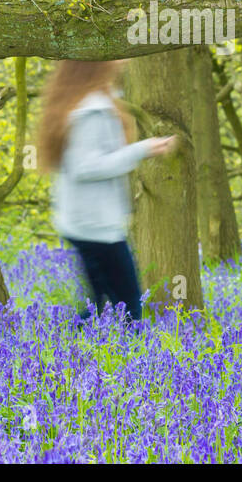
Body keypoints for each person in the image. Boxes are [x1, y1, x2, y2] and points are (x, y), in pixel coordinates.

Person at [36, 60, 176, 322]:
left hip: (84, 222)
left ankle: (60, 356)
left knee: (97, 304)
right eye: (114, 56)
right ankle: (53, 357)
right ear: (95, 66)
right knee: (129, 309)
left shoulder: (87, 102)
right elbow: (85, 166)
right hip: (95, 226)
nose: (121, 61)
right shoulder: (92, 111)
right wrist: (143, 149)